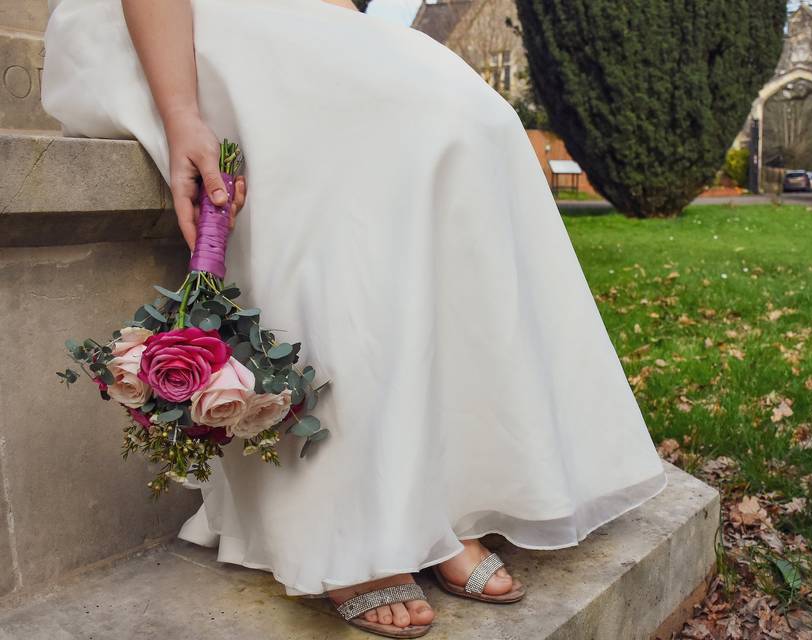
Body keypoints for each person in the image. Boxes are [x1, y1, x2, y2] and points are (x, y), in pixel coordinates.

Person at [41, 0, 668, 637]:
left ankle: (433, 497)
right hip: (159, 23)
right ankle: (349, 514)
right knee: (362, 115)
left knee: (473, 111)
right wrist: (181, 117)